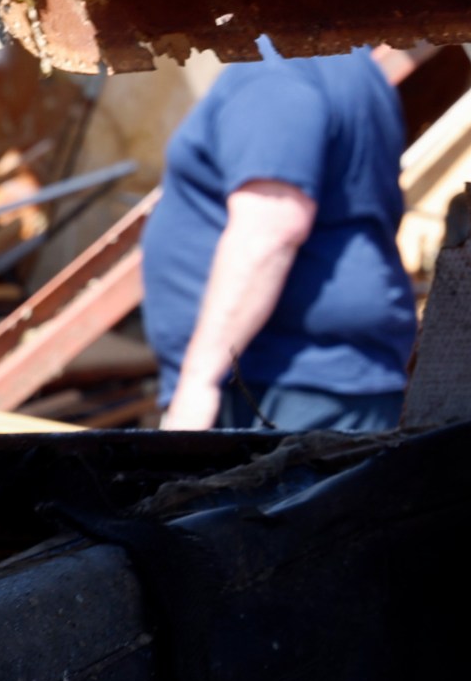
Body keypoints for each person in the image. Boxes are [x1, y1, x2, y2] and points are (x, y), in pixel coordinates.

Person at [142, 38, 417, 432]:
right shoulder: (347, 64)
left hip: (281, 387)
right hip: (315, 383)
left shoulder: (276, 71)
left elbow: (270, 227)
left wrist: (198, 383)